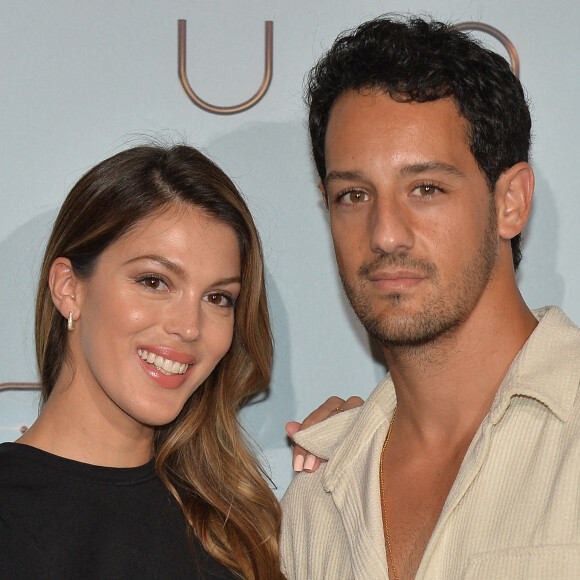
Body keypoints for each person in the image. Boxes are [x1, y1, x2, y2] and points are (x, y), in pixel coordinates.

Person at [281, 15, 580, 579]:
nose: (385, 233)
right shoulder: (317, 495)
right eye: (353, 194)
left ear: (511, 202)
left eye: (426, 188)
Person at [0, 145, 284, 579]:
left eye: (217, 297)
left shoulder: (237, 527)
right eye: (154, 282)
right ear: (69, 288)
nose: (189, 327)